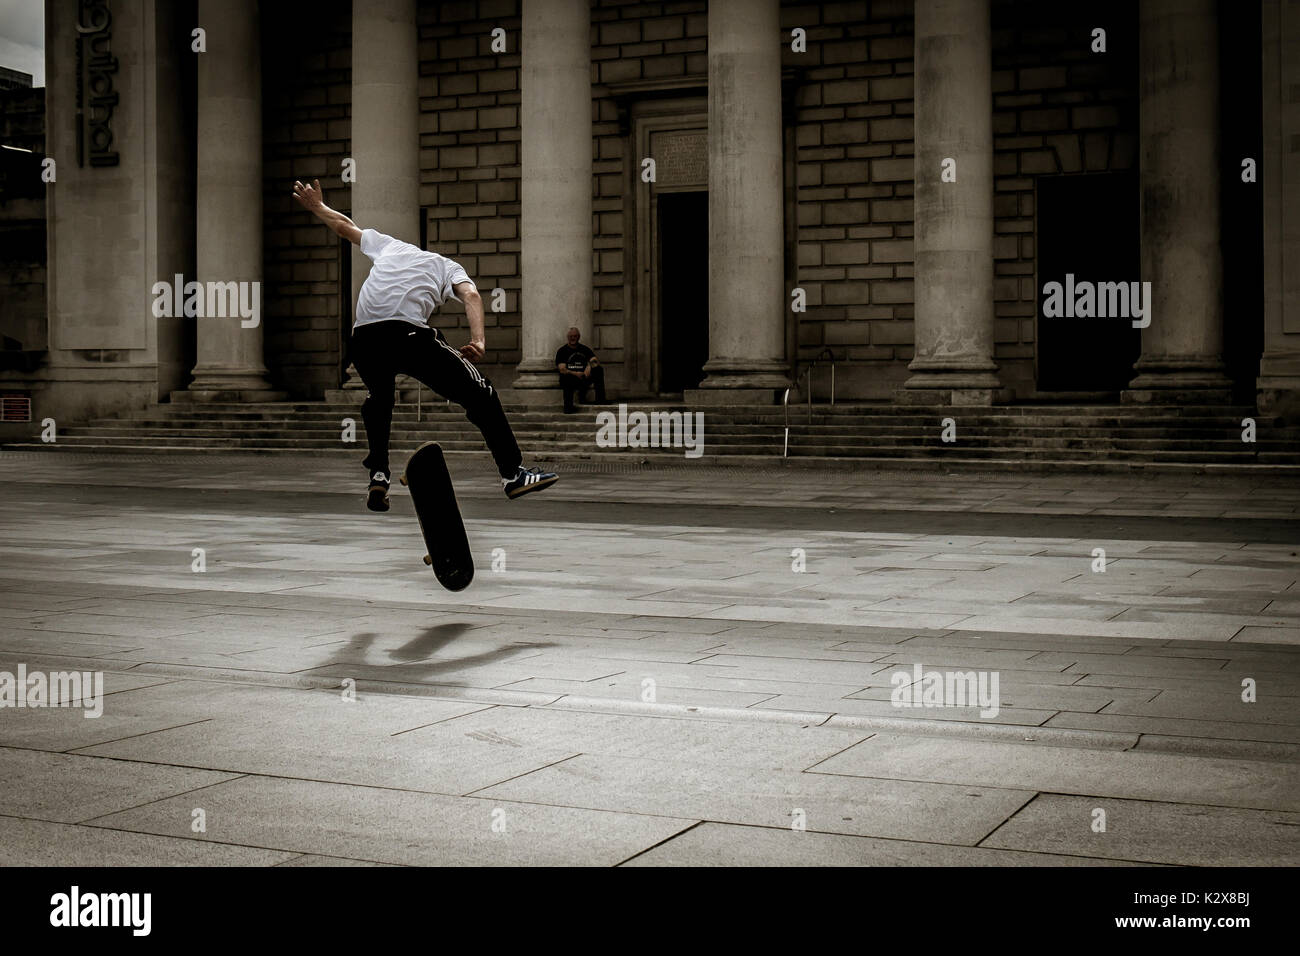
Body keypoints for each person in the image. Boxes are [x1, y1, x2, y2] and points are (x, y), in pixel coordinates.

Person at [291, 179, 558, 511]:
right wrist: (478, 341)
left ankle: (378, 474)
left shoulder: (389, 246)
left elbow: (345, 227)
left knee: (379, 399)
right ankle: (513, 474)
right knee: (481, 392)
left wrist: (316, 206)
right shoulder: (448, 266)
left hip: (363, 339)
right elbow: (472, 296)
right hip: (408, 336)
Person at [555, 327, 606, 414]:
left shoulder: (584, 349)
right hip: (571, 378)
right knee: (566, 377)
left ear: (578, 337)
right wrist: (575, 373)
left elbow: (595, 361)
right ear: (568, 337)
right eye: (571, 336)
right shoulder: (562, 351)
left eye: (575, 336)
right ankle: (568, 407)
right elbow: (562, 369)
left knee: (598, 370)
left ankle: (600, 400)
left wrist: (589, 366)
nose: (573, 338)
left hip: (584, 377)